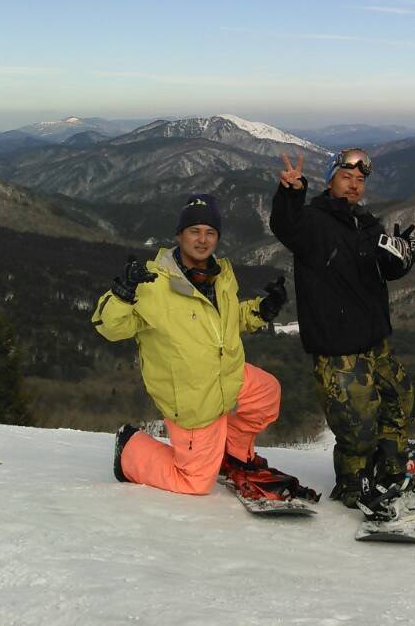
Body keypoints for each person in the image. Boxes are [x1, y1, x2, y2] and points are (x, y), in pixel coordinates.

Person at [93, 193, 292, 497]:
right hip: (191, 397)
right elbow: (110, 327)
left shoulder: (220, 275)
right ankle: (129, 449)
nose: (202, 240)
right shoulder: (153, 283)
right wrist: (121, 294)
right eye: (194, 231)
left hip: (224, 375)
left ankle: (235, 455)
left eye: (210, 232)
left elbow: (224, 321)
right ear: (179, 235)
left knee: (266, 392)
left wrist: (260, 310)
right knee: (195, 482)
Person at [269, 148, 415, 516]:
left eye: (360, 180)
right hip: (339, 346)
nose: (354, 184)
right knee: (357, 426)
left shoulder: (367, 224)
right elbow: (285, 226)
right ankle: (354, 483)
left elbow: (381, 272)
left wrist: (401, 261)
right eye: (345, 177)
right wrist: (291, 191)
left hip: (375, 339)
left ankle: (390, 469)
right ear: (330, 180)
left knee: (399, 401)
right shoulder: (313, 221)